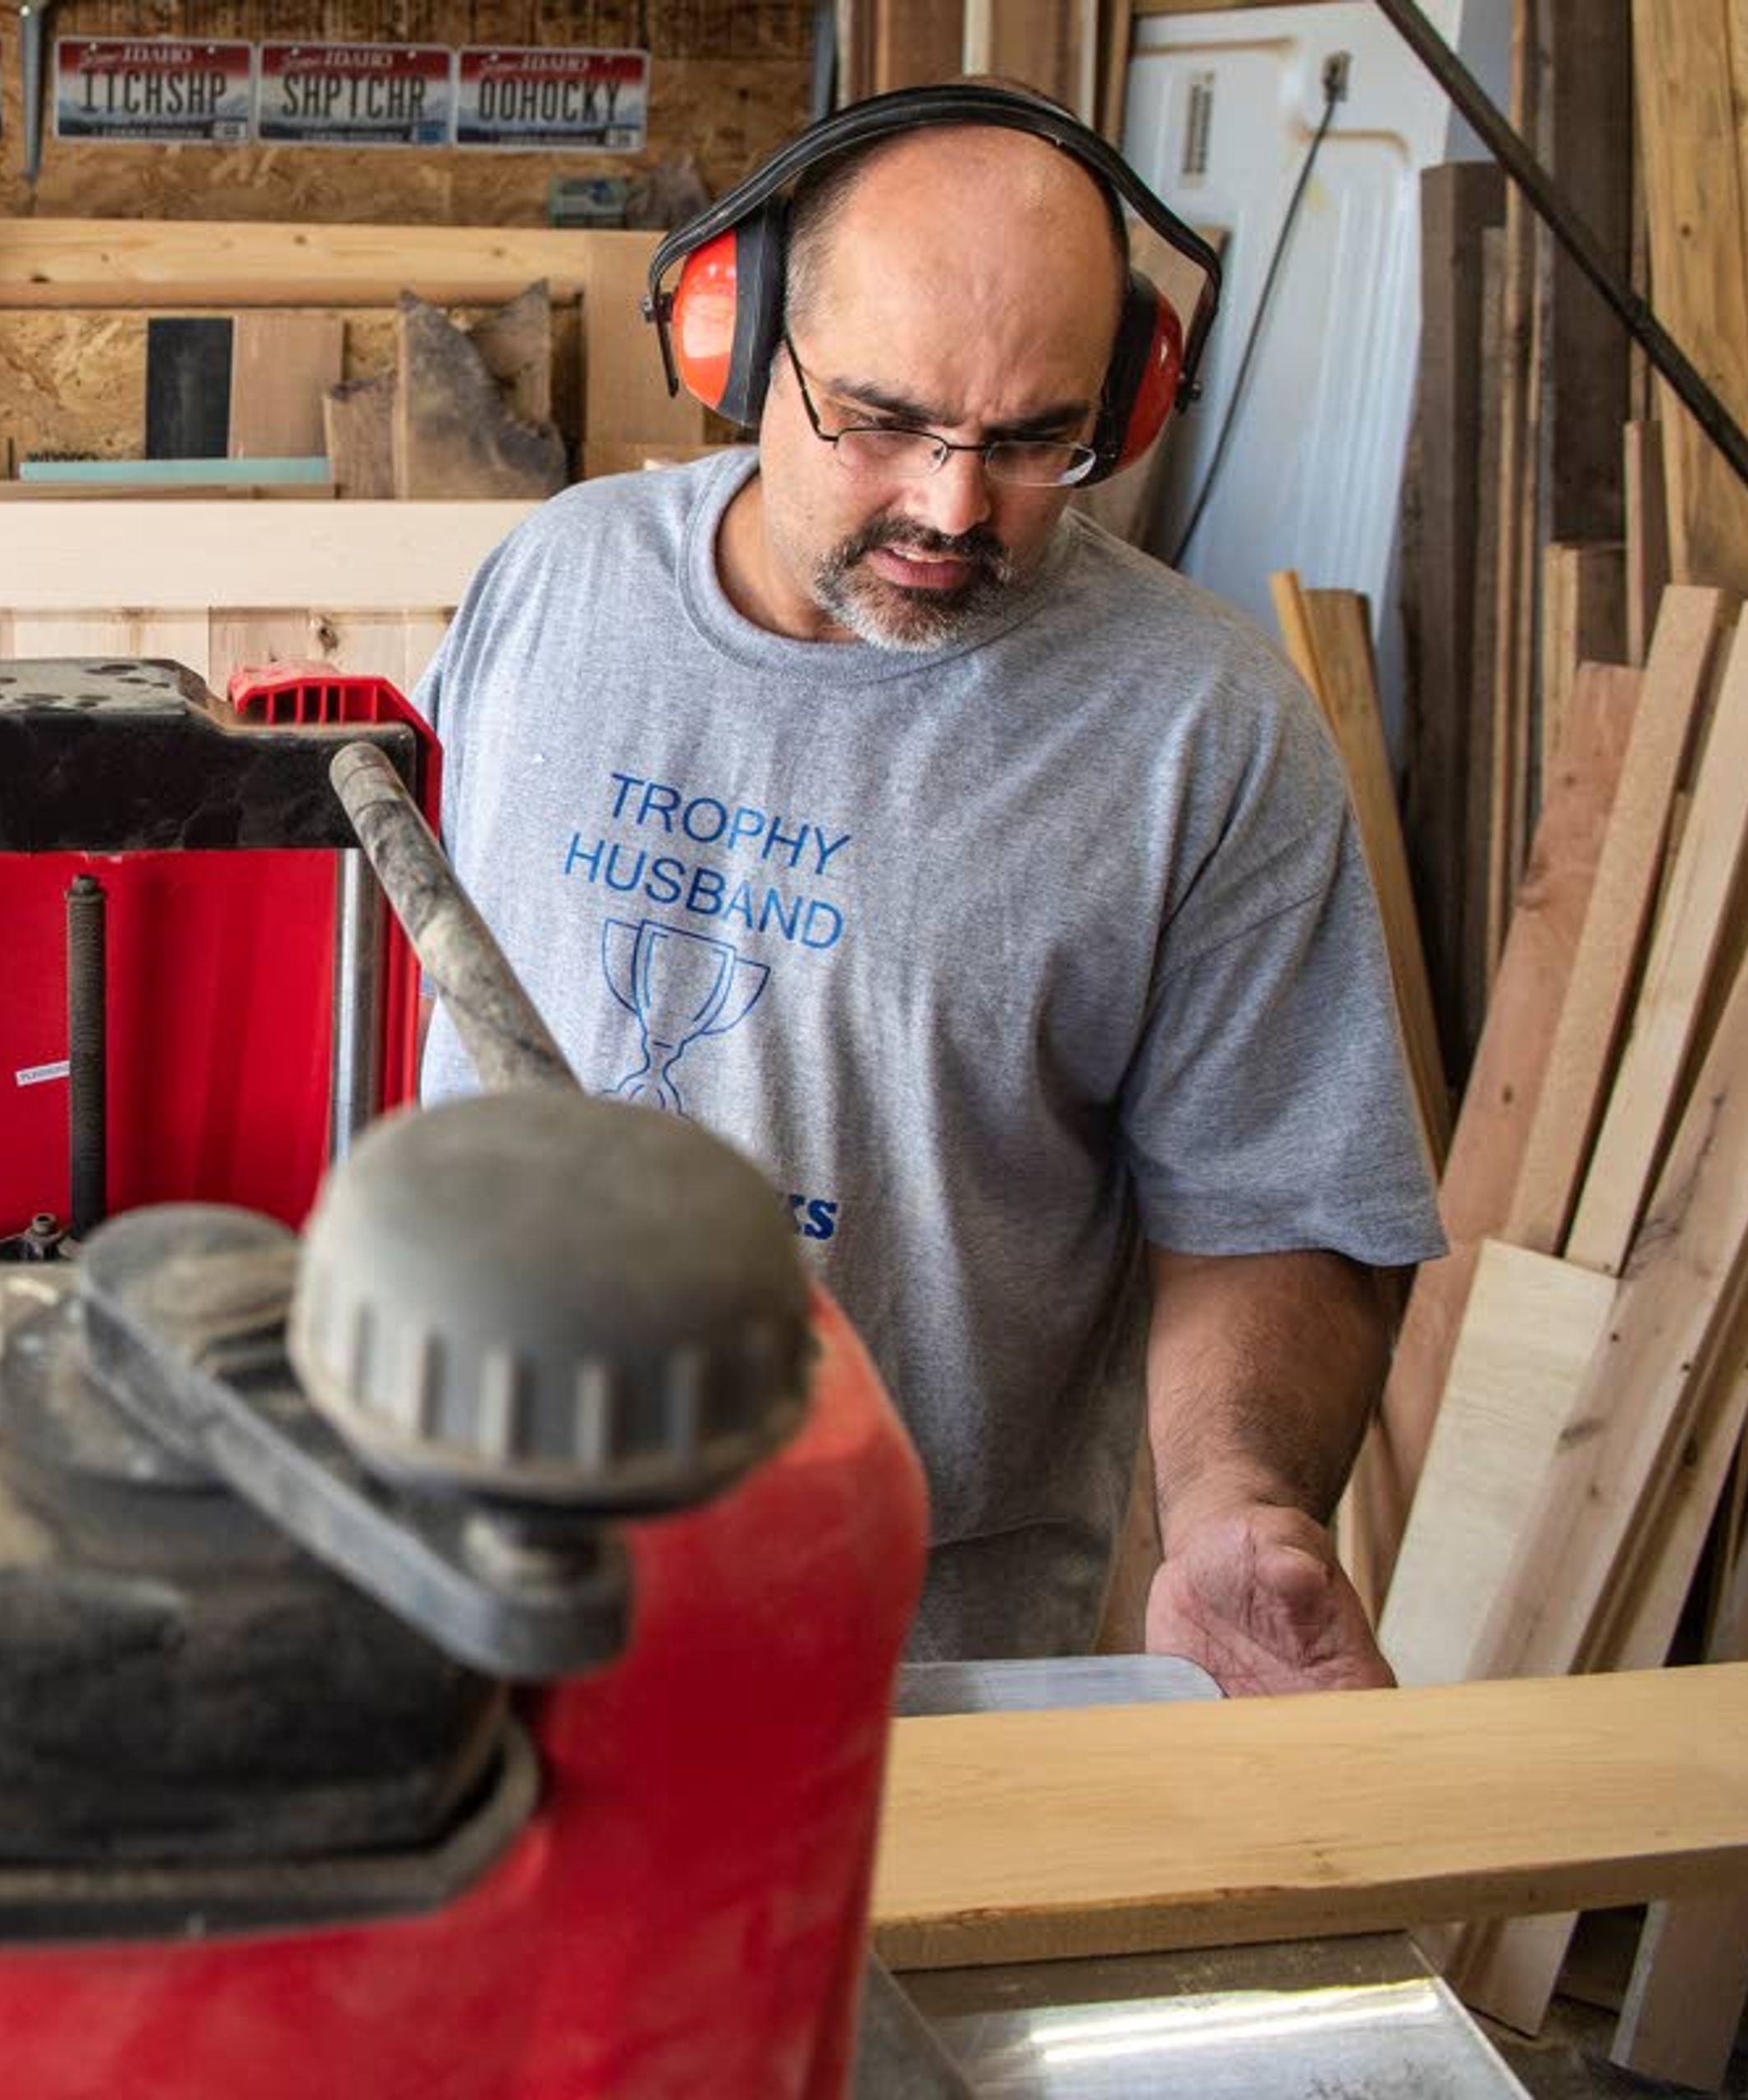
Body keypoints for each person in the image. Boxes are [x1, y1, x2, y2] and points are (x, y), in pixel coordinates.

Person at [413, 87, 1444, 1693]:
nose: (955, 506)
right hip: (453, 1568)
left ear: (1138, 389)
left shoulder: (1207, 733)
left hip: (902, 1661)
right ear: (737, 337)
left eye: (1038, 439)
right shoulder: (553, 580)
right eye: (885, 419)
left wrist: (1241, 1503)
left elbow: (1279, 1208)